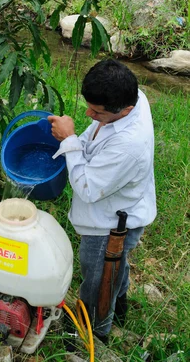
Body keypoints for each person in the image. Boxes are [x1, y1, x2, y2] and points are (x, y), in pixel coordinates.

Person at [48, 59, 157, 341]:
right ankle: (118, 310)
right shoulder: (133, 95)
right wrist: (79, 139)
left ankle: (94, 334)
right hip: (126, 205)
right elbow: (98, 132)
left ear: (126, 110)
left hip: (110, 225)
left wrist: (69, 140)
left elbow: (86, 188)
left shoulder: (129, 145)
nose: (88, 113)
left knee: (98, 280)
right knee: (117, 266)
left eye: (97, 112)